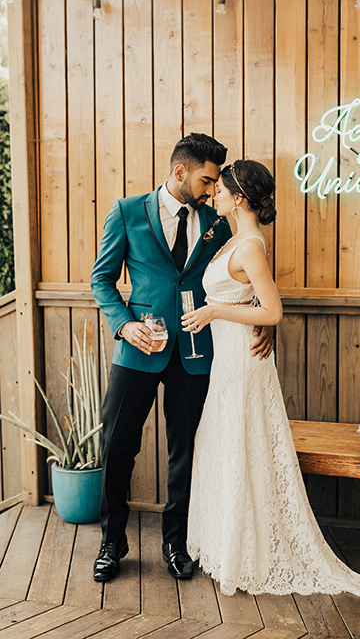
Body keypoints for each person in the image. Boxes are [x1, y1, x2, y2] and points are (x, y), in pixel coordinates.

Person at [182, 160, 360, 605]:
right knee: (229, 447)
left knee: (241, 447)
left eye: (221, 190)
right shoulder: (234, 237)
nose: (213, 195)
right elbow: (254, 302)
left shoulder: (250, 244)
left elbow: (273, 312)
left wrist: (214, 311)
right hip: (229, 363)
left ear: (238, 198)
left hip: (243, 366)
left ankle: (245, 554)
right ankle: (225, 545)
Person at [90, 134, 272, 583]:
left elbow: (246, 279)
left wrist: (263, 320)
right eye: (207, 180)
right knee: (117, 447)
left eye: (217, 184)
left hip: (197, 352)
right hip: (138, 348)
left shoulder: (218, 220)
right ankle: (112, 541)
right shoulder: (127, 212)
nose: (213, 190)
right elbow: (101, 279)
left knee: (187, 451)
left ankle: (177, 541)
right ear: (180, 172)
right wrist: (125, 324)